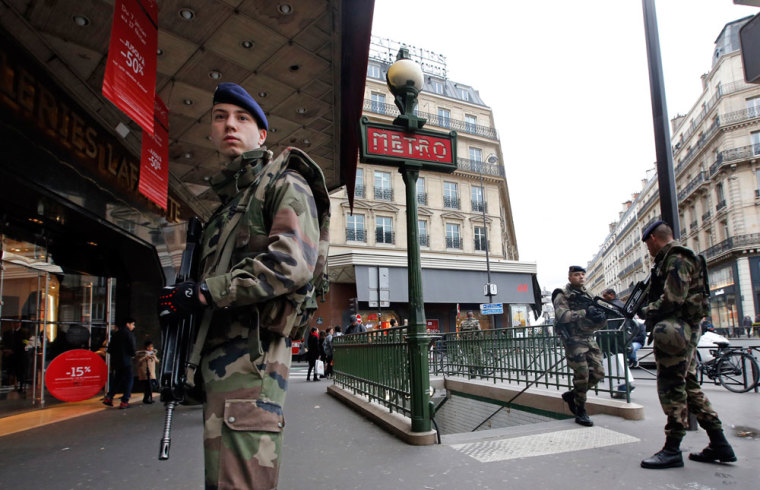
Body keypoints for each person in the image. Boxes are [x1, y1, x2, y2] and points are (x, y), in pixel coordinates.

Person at [156, 82, 329, 490]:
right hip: (225, 364)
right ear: (212, 132)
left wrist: (202, 292)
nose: (230, 125)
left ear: (261, 134)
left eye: (242, 118)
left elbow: (291, 263)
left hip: (252, 358)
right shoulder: (229, 206)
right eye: (220, 118)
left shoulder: (283, 183)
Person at [638, 221, 736, 469]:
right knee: (689, 384)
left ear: (652, 239)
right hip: (685, 329)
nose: (648, 250)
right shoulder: (674, 258)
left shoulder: (676, 258)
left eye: (647, 244)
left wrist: (645, 310)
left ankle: (672, 449)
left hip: (677, 329)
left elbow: (672, 299)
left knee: (671, 386)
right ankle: (720, 443)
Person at [552, 265, 607, 427]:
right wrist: (585, 313)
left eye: (583, 274)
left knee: (598, 373)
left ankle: (573, 395)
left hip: (589, 337)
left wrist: (600, 317)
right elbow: (562, 316)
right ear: (570, 277)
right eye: (577, 274)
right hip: (573, 340)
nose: (581, 277)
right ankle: (580, 410)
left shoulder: (589, 295)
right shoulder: (562, 295)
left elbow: (598, 320)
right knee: (582, 374)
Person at [103, 318, 137, 409]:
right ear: (128, 324)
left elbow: (110, 349)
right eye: (133, 324)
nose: (133, 327)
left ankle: (109, 397)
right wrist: (133, 354)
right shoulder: (129, 334)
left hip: (116, 361)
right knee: (129, 380)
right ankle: (124, 401)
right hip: (126, 361)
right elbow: (132, 348)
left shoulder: (116, 334)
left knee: (117, 379)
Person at [135, 340, 159, 404]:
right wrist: (145, 357)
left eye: (151, 347)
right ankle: (146, 398)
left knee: (151, 386)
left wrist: (154, 357)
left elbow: (157, 361)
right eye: (149, 347)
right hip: (145, 372)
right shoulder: (142, 354)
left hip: (151, 372)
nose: (150, 348)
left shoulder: (153, 354)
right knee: (147, 386)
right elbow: (139, 361)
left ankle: (149, 398)